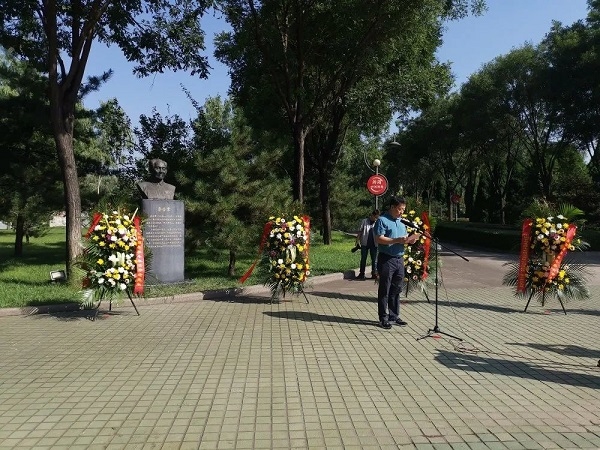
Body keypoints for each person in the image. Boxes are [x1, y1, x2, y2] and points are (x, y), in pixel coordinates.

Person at [374, 197, 420, 329]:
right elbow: (379, 239)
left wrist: (410, 240)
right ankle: (383, 318)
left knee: (396, 288)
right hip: (386, 259)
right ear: (392, 207)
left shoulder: (401, 222)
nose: (401, 212)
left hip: (399, 259)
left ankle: (394, 316)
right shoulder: (382, 220)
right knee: (385, 289)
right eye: (400, 209)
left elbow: (402, 239)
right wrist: (396, 240)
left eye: (403, 210)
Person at [355, 209, 380, 280]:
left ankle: (374, 273)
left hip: (374, 244)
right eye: (375, 217)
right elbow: (360, 231)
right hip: (365, 243)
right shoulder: (364, 221)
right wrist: (357, 241)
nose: (376, 219)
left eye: (377, 217)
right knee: (363, 258)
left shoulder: (378, 222)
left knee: (374, 259)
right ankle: (362, 273)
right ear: (372, 215)